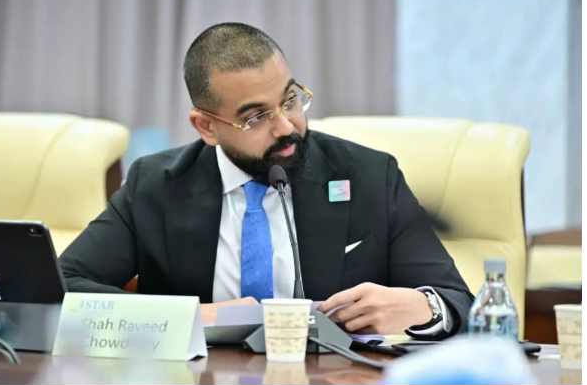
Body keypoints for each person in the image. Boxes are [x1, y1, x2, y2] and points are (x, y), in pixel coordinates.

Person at [58, 22, 473, 337]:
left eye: (290, 100)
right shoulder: (156, 184)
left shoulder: (369, 176)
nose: (286, 127)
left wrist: (422, 307)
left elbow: (460, 302)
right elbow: (63, 287)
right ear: (206, 126)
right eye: (256, 117)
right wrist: (192, 316)